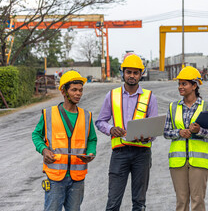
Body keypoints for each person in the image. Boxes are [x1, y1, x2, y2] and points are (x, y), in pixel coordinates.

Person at [95, 54, 158, 211]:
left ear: (141, 74)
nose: (132, 76)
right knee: (113, 202)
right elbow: (100, 121)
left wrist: (149, 135)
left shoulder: (150, 97)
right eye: (128, 72)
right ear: (122, 72)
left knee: (139, 202)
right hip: (119, 153)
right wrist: (111, 129)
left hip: (142, 154)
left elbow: (155, 127)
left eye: (135, 72)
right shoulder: (112, 95)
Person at [32, 70, 97, 211]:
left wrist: (91, 153)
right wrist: (43, 150)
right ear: (63, 91)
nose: (78, 93)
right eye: (74, 90)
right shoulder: (48, 113)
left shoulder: (87, 116)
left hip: (77, 178)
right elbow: (36, 135)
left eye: (80, 90)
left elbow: (92, 139)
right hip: (55, 178)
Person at [164, 66, 208, 211]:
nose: (180, 87)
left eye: (184, 84)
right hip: (178, 162)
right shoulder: (173, 107)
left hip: (199, 162)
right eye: (179, 84)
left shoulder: (206, 106)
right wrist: (179, 132)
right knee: (181, 202)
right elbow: (166, 132)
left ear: (194, 85)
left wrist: (199, 130)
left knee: (197, 201)